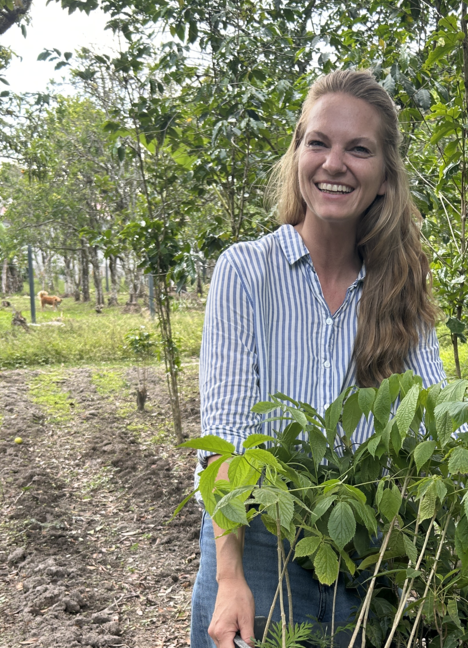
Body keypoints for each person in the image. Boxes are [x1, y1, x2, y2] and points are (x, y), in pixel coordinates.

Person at [191, 69, 447, 648]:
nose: (335, 163)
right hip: (257, 536)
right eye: (319, 143)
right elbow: (227, 438)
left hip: (363, 547)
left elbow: (436, 420)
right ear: (297, 155)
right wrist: (230, 578)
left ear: (384, 176)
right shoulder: (246, 272)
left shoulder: (400, 287)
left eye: (359, 149)